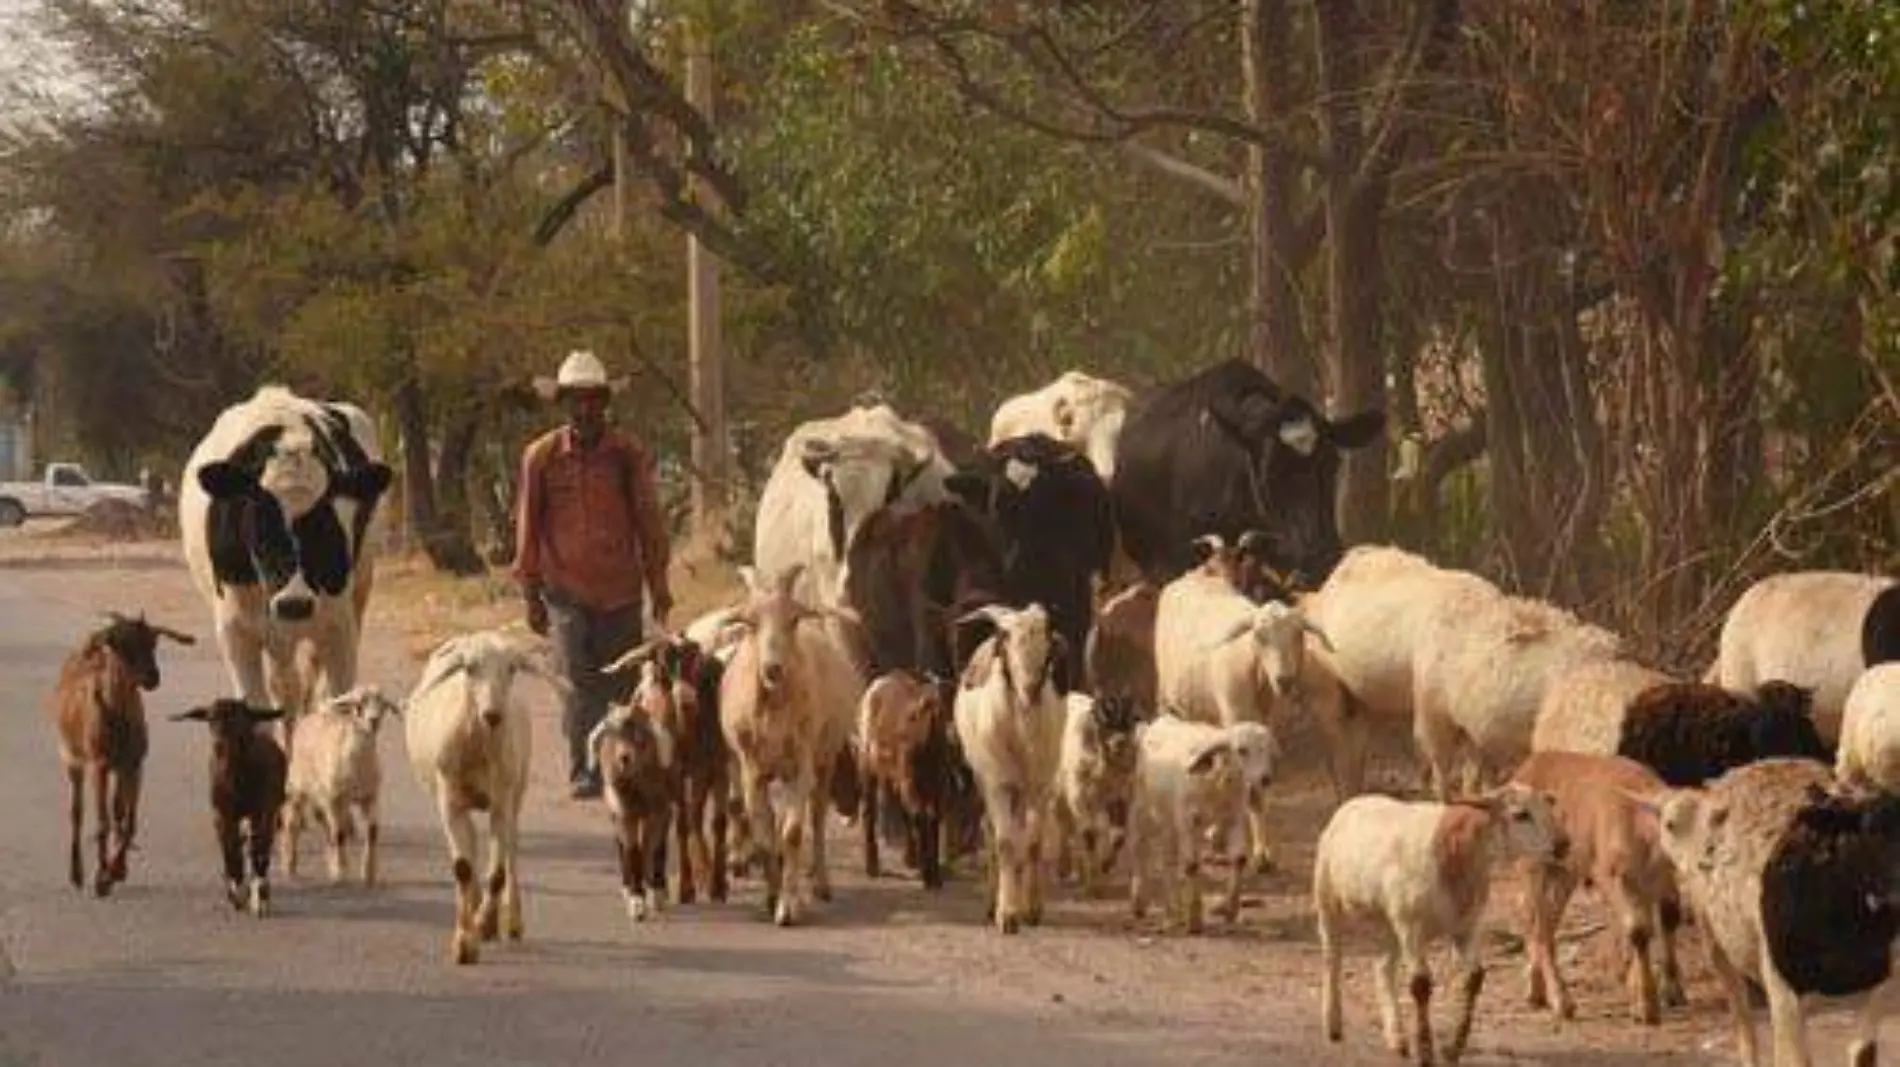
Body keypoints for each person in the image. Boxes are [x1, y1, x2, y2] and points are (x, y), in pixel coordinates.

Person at [514, 350, 674, 799]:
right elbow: (528, 525)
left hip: (621, 590)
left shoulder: (627, 454)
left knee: (621, 684)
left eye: (592, 401)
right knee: (575, 683)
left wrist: (660, 588)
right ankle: (582, 766)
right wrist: (530, 592)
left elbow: (649, 523)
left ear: (604, 402)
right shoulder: (541, 457)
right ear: (565, 404)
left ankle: (622, 765)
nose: (584, 410)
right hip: (565, 591)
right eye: (575, 401)